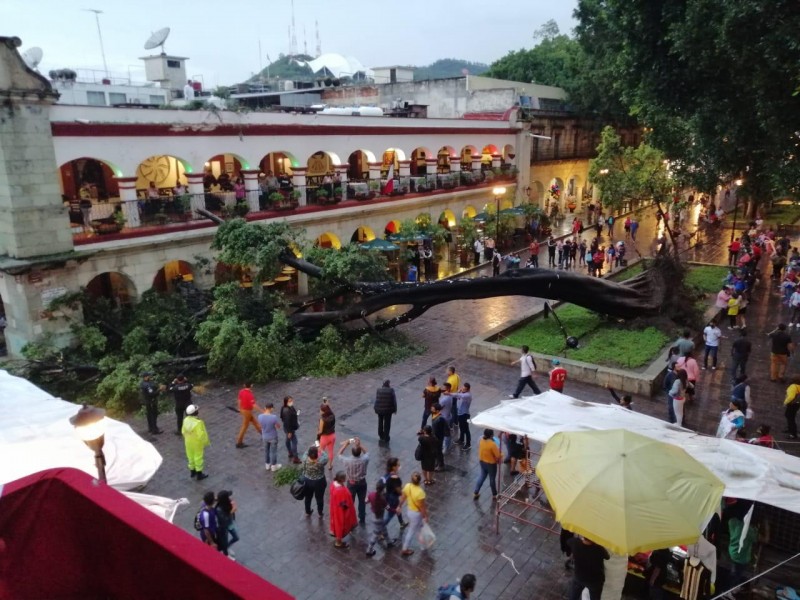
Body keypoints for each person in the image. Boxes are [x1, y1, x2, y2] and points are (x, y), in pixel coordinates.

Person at [567, 536, 610, 600]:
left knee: (574, 597)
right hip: (595, 581)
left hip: (579, 577)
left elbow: (568, 541)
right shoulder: (599, 549)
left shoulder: (575, 542)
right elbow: (607, 557)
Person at [339, 437, 369, 526]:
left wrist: (346, 444)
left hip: (351, 483)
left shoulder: (347, 460)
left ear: (352, 452)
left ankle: (350, 518)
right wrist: (360, 445)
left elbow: (339, 454)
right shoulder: (364, 459)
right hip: (362, 483)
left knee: (350, 501)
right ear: (360, 452)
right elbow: (367, 453)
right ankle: (362, 517)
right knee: (362, 501)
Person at [399, 472, 428, 557]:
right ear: (420, 481)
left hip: (410, 511)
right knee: (412, 530)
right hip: (417, 514)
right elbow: (422, 507)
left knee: (419, 528)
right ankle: (405, 548)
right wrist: (425, 516)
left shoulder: (408, 486)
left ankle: (423, 545)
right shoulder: (420, 492)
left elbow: (403, 498)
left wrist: (399, 506)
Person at [365, 479, 395, 557]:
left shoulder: (371, 494)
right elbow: (389, 509)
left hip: (373, 516)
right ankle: (369, 549)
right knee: (375, 535)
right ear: (383, 490)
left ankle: (389, 542)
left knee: (383, 528)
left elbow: (366, 501)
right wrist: (396, 510)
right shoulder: (382, 500)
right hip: (379, 518)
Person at [330, 471, 358, 549]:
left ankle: (337, 537)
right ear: (342, 479)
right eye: (345, 477)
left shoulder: (333, 484)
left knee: (336, 523)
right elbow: (343, 503)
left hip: (335, 509)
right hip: (341, 512)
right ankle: (338, 542)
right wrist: (347, 508)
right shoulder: (340, 490)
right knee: (340, 525)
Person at [182, 404, 210, 480]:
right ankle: (199, 474)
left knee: (190, 456)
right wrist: (205, 442)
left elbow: (183, 431)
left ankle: (192, 471)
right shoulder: (198, 423)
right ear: (195, 412)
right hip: (197, 443)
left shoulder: (185, 420)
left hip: (188, 442)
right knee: (198, 457)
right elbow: (201, 435)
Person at [381, 457, 408, 532]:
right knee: (390, 515)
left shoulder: (387, 474)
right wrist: (404, 490)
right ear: (393, 467)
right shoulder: (396, 478)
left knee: (397, 509)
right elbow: (399, 491)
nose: (399, 466)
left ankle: (401, 522)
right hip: (393, 498)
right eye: (398, 465)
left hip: (387, 495)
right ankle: (380, 530)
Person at [473, 428, 501, 500]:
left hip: (482, 461)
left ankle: (476, 492)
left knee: (482, 476)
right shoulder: (492, 444)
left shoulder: (481, 440)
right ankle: (494, 494)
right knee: (492, 479)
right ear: (491, 436)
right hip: (491, 464)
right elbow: (498, 455)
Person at [300, 445, 328, 517]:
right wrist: (320, 450)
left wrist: (311, 447)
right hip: (319, 482)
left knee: (308, 497)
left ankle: (307, 511)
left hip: (307, 481)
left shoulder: (305, 459)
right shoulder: (321, 461)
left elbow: (306, 453)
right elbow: (326, 456)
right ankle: (320, 513)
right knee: (319, 498)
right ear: (316, 455)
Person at [235, 383, 261, 448]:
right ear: (251, 385)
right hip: (247, 412)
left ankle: (263, 433)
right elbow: (254, 405)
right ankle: (239, 442)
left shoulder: (241, 391)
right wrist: (263, 411)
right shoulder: (250, 394)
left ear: (244, 385)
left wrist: (239, 408)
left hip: (243, 410)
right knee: (244, 426)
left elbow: (239, 400)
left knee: (255, 422)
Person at [257, 403, 282, 472]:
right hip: (273, 436)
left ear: (265, 408)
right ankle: (274, 466)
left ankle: (267, 465)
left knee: (266, 451)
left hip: (265, 436)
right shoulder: (273, 417)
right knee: (273, 452)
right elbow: (278, 426)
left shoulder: (260, 416)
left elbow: (260, 426)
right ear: (271, 408)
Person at [280, 396, 301, 464]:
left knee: (288, 440)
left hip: (288, 427)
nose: (291, 402)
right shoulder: (287, 411)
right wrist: (289, 432)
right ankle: (295, 457)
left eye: (291, 400)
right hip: (290, 428)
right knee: (294, 442)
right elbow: (287, 421)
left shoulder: (286, 408)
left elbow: (282, 417)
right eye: (289, 401)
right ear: (286, 402)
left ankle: (290, 452)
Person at [215, 490, 236, 559]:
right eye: (228, 497)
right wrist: (232, 510)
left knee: (236, 537)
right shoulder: (219, 509)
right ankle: (226, 554)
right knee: (224, 541)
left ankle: (227, 547)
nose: (230, 498)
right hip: (223, 528)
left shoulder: (227, 503)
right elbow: (224, 519)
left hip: (230, 523)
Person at [318, 400, 336, 471]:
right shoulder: (332, 415)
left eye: (321, 410)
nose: (320, 411)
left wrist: (318, 432)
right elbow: (329, 409)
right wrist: (326, 404)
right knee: (330, 451)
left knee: (320, 451)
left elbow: (320, 431)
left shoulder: (322, 420)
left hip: (324, 437)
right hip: (332, 436)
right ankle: (330, 465)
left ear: (324, 411)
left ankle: (319, 464)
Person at [454, 383, 473, 450]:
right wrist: (459, 392)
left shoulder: (467, 395)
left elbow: (458, 396)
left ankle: (468, 444)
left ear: (468, 389)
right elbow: (456, 397)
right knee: (461, 427)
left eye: (465, 389)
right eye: (463, 388)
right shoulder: (462, 393)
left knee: (466, 429)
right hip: (460, 413)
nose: (463, 389)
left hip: (465, 414)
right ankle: (461, 439)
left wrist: (452, 393)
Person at [430, 403, 448, 471]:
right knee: (436, 451)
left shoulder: (440, 419)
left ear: (437, 411)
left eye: (433, 409)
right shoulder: (434, 415)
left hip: (438, 438)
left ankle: (441, 465)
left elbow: (440, 430)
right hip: (435, 437)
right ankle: (437, 462)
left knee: (439, 451)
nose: (431, 409)